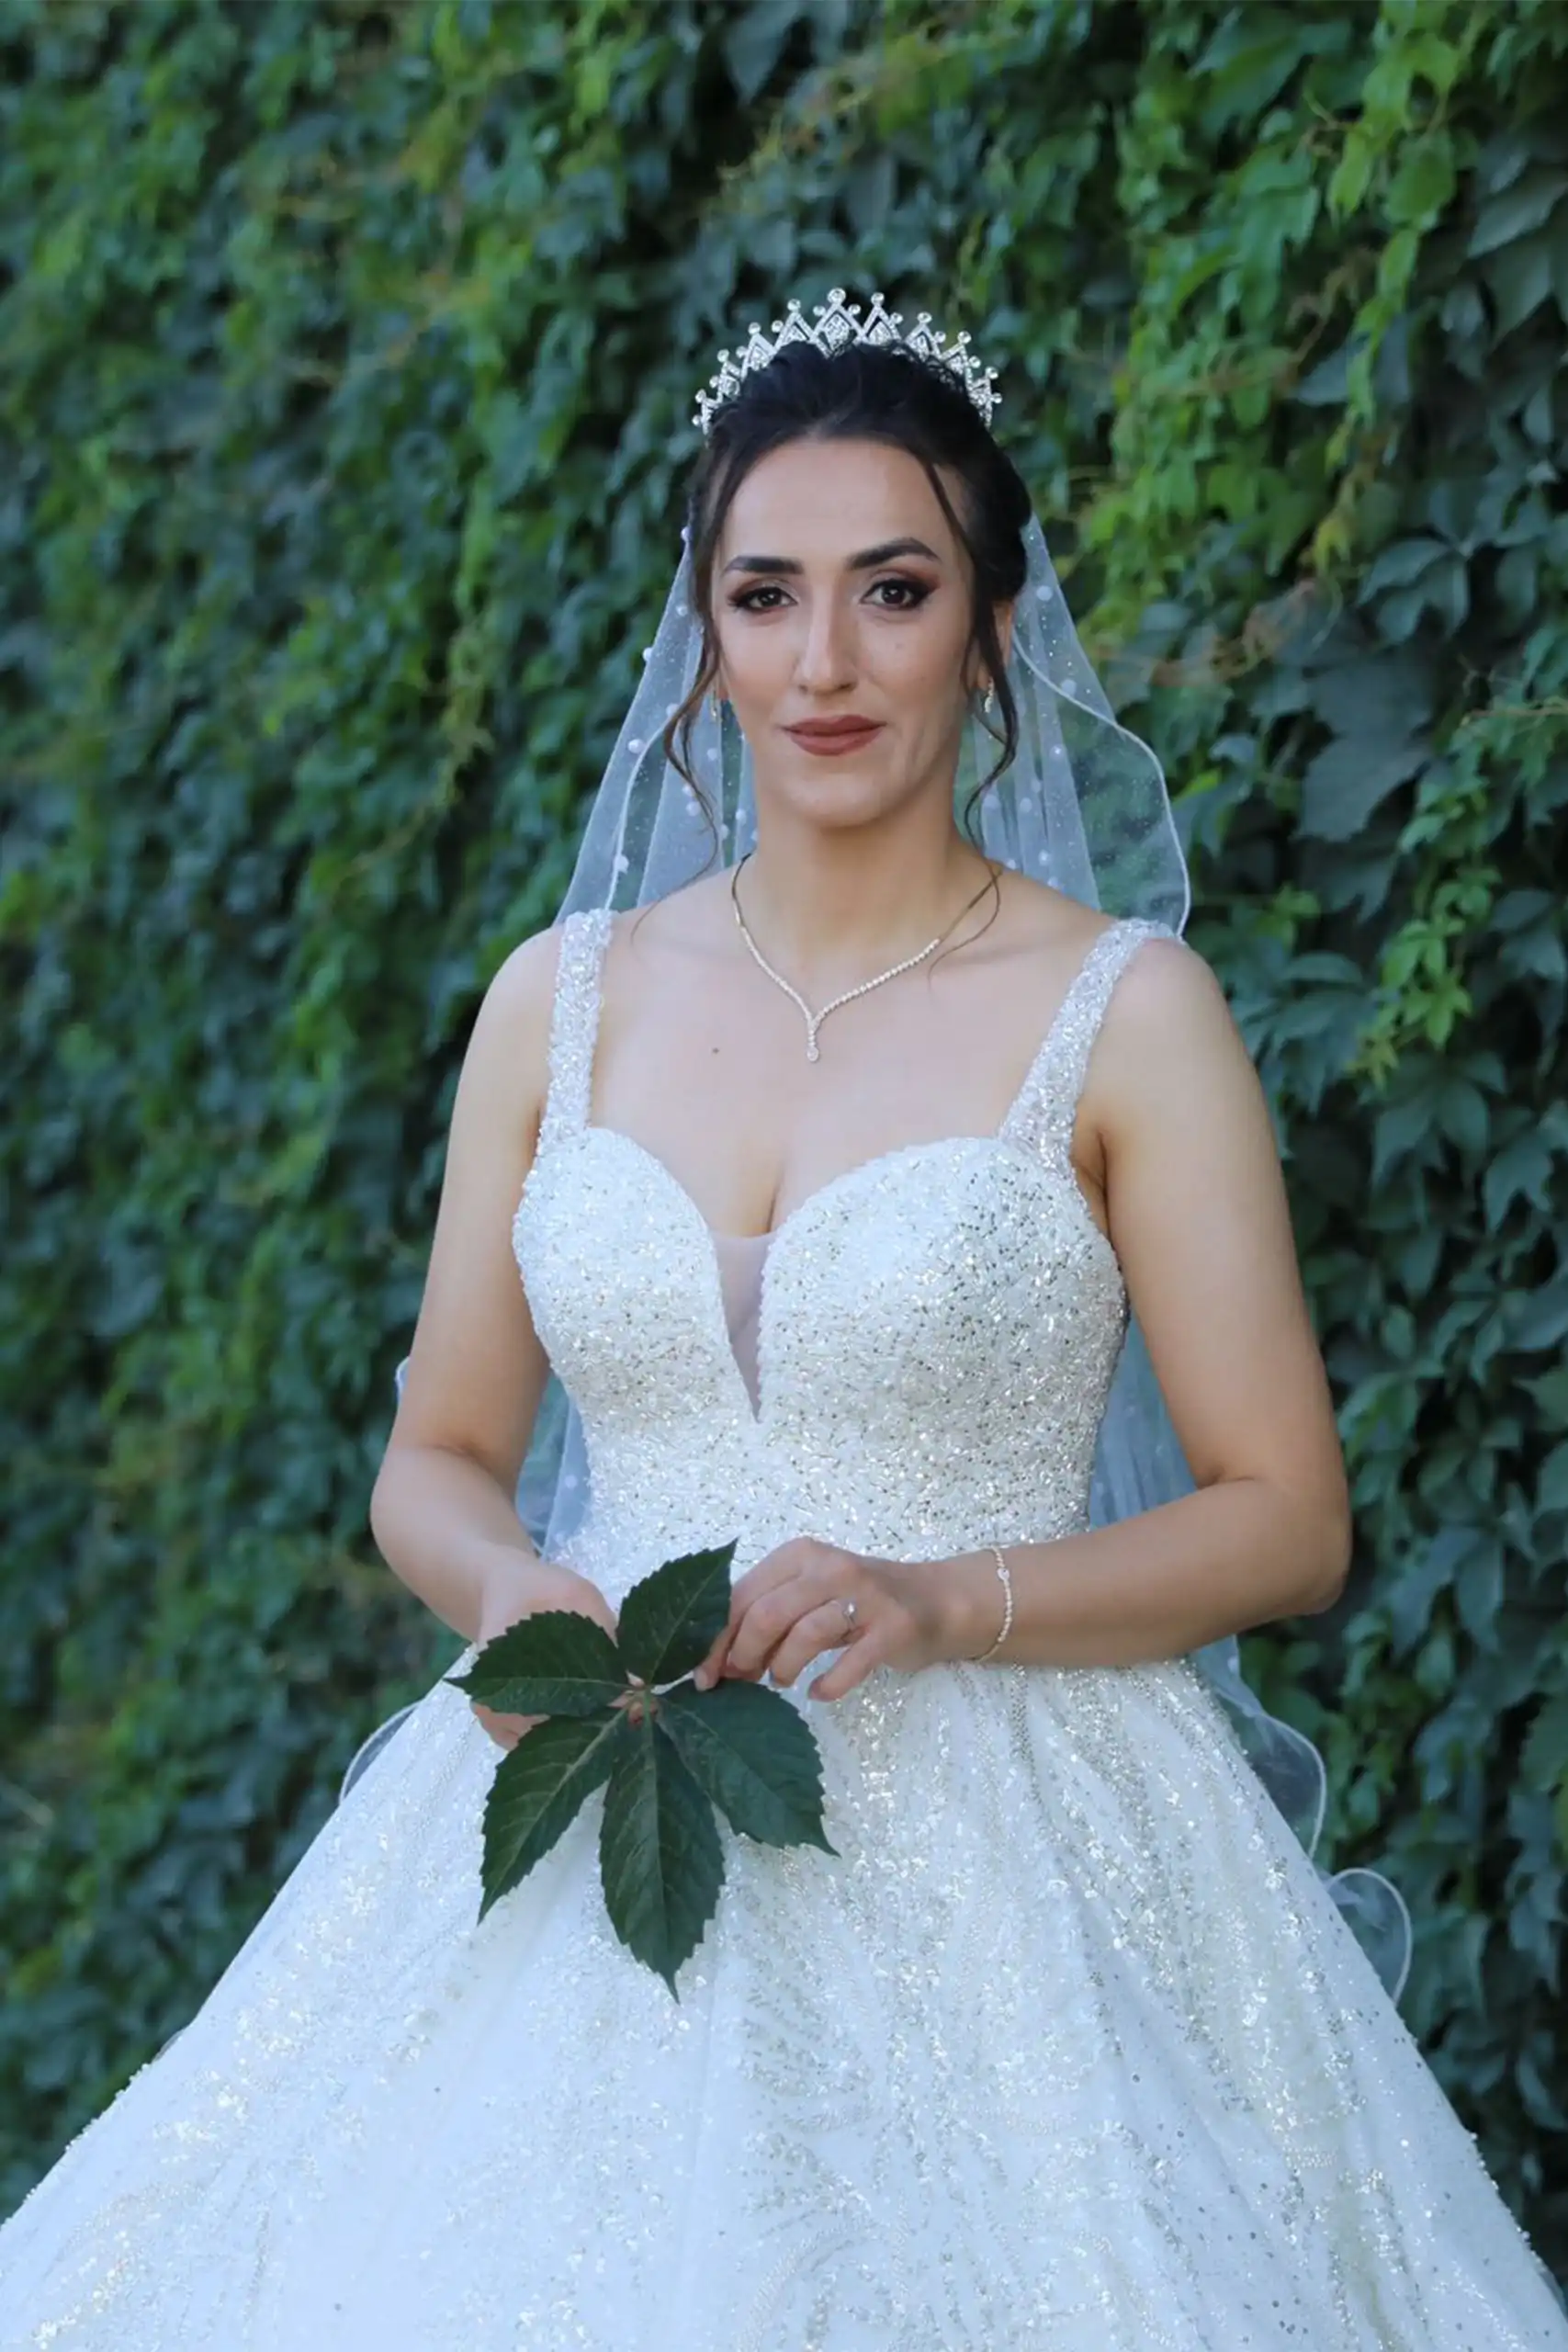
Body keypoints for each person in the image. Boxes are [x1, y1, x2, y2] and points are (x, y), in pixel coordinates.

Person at [0, 290, 1562, 2351]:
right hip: (593, 1768)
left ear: (990, 626)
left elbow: (1286, 1516)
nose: (823, 662)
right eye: (766, 595)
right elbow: (437, 1453)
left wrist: (934, 1596)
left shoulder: (1128, 1014)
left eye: (891, 591)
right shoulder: (556, 1002)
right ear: (705, 632)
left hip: (1018, 1834)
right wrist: (512, 1599)